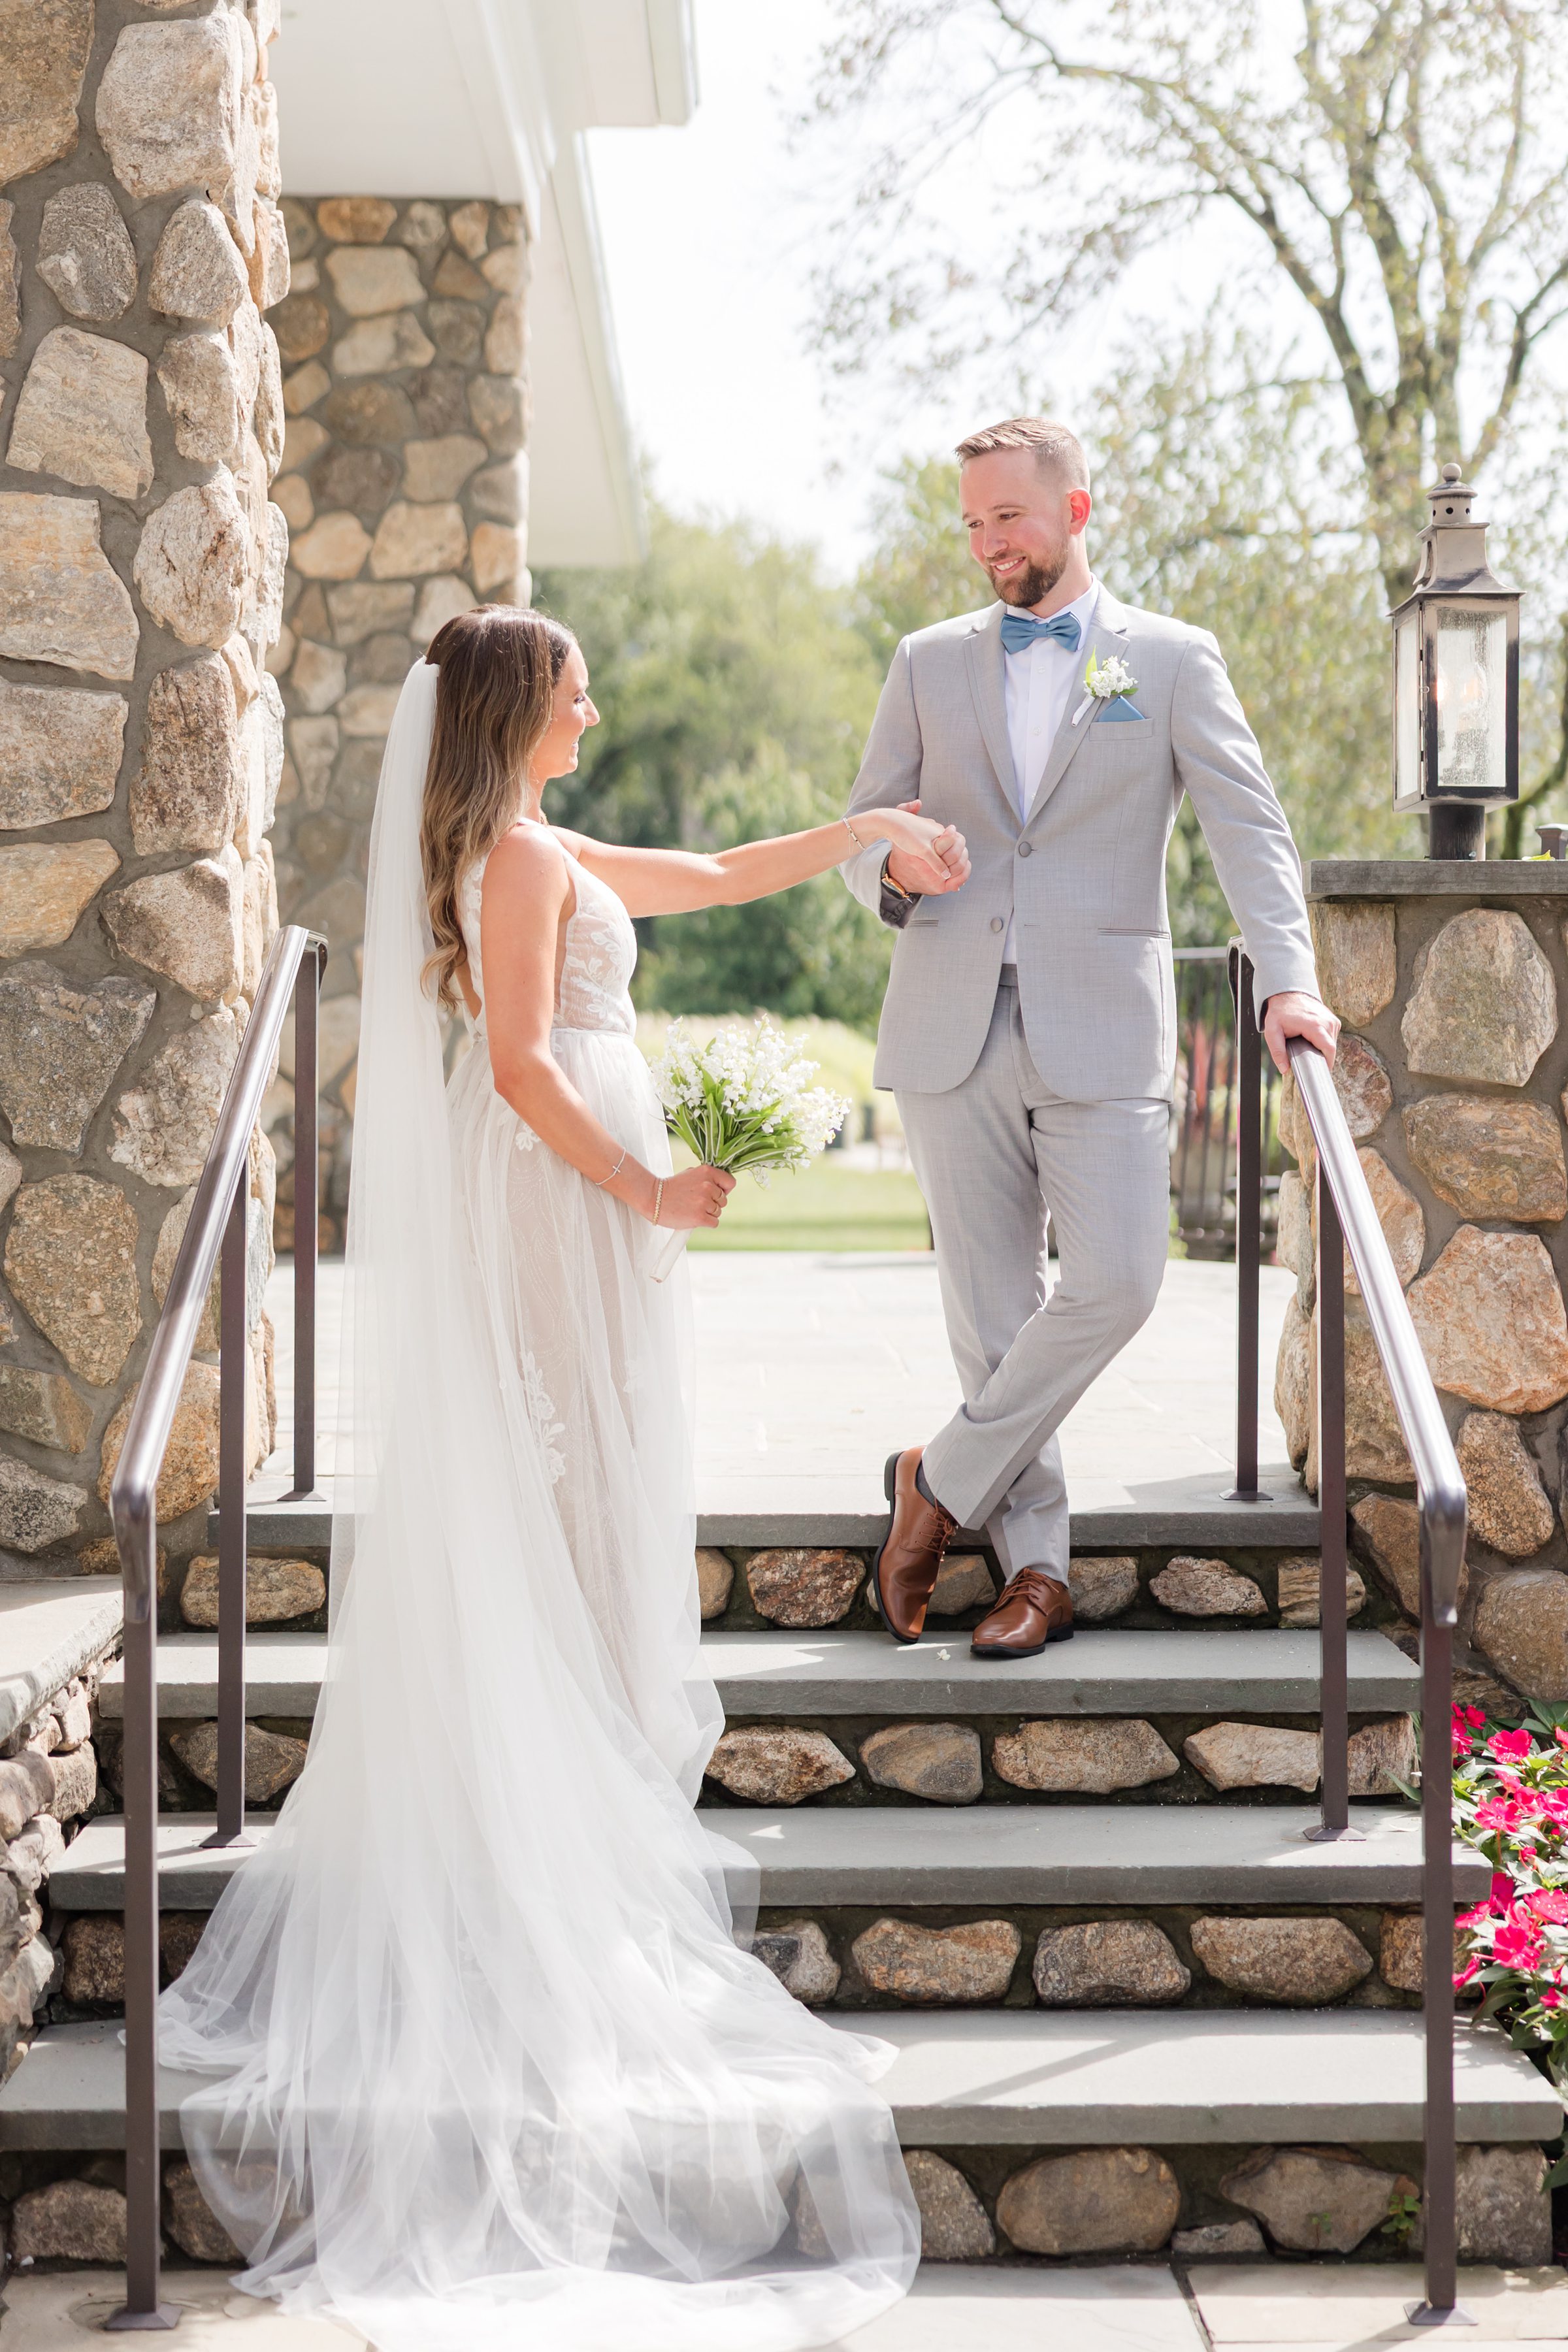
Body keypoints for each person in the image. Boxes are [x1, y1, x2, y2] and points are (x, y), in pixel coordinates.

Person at [155, 606, 968, 2351]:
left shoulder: (545, 843)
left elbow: (721, 868)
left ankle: (574, 1809)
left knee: (593, 1487)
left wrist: (869, 833)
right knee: (560, 1486)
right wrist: (644, 1185)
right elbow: (521, 1065)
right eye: (578, 684)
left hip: (585, 1206)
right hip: (560, 1198)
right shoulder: (515, 865)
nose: (598, 701)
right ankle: (547, 1840)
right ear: (521, 707)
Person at [840, 416, 1339, 1658]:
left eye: (1006, 516)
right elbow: (862, 829)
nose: (986, 543)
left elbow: (1249, 829)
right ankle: (1039, 1576)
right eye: (970, 522)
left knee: (1121, 1277)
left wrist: (1289, 977)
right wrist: (898, 870)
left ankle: (937, 1481)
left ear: (1076, 510)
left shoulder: (1169, 661)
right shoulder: (924, 661)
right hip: (952, 1014)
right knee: (993, 1314)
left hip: (1104, 1027)